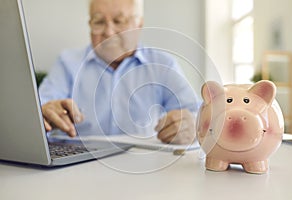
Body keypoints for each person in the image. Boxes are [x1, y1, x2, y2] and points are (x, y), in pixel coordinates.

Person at [39, 0, 200, 144]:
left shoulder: (163, 65)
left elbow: (196, 114)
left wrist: (190, 125)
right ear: (90, 25)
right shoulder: (67, 62)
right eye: (99, 21)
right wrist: (44, 112)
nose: (108, 32)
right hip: (73, 167)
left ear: (139, 25)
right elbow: (37, 111)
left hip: (143, 165)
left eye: (119, 21)